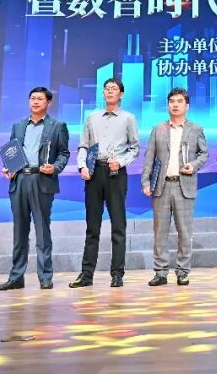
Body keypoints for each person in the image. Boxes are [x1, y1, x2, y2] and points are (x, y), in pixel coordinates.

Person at [69, 78, 140, 289]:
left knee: (118, 226)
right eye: (107, 88)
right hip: (94, 172)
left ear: (121, 94)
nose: (109, 91)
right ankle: (86, 274)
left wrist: (122, 162)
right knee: (92, 227)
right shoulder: (92, 117)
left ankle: (117, 274)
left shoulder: (128, 118)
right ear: (103, 93)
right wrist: (82, 166)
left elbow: (135, 148)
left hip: (116, 174)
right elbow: (83, 145)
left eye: (114, 89)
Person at [0, 87, 70, 291]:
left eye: (40, 99)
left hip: (42, 179)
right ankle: (16, 277)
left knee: (42, 231)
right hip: (20, 179)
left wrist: (55, 168)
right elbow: (12, 152)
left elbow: (64, 153)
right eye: (32, 98)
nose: (35, 102)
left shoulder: (58, 126)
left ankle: (45, 276)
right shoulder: (18, 125)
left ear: (49, 102)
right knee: (19, 230)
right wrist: (9, 167)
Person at [142, 87, 208, 287]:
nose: (175, 105)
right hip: (161, 186)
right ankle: (160, 272)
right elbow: (149, 158)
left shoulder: (196, 129)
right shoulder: (158, 129)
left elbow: (204, 154)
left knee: (185, 232)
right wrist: (146, 182)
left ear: (187, 106)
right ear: (168, 105)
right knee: (160, 232)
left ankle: (182, 271)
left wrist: (193, 165)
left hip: (184, 185)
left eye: (180, 101)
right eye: (172, 101)